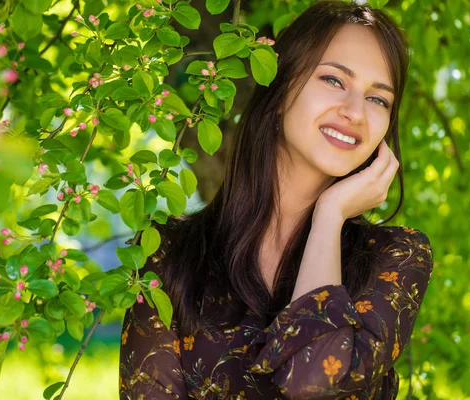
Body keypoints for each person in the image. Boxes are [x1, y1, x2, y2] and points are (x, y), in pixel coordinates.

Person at [119, 0, 434, 398]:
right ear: (281, 84)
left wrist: (329, 215)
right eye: (334, 80)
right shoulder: (166, 258)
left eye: (378, 99)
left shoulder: (396, 259)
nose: (355, 112)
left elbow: (313, 381)